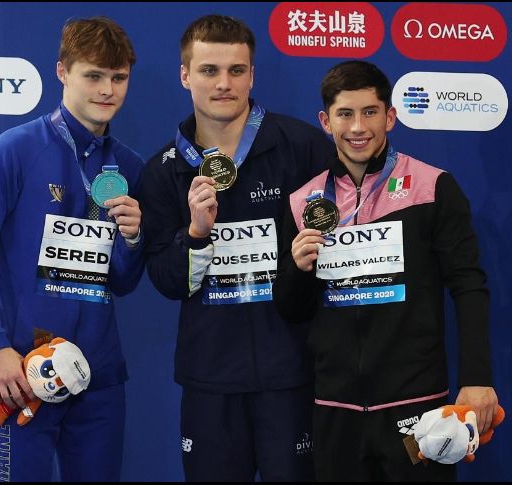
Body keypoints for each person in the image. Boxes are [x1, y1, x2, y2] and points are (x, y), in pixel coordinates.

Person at [272, 60, 500, 481]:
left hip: (418, 406)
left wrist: (477, 378)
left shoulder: (433, 187)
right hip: (336, 407)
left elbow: (468, 285)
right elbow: (291, 308)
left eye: (370, 112)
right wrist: (299, 270)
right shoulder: (303, 201)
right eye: (345, 114)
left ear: (390, 117)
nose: (358, 127)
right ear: (325, 121)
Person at [140, 14, 336, 482]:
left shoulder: (304, 148)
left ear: (252, 74)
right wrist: (196, 234)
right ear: (185, 75)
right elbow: (168, 283)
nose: (224, 84)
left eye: (236, 70)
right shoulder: (164, 171)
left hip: (292, 375)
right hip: (210, 380)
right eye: (209, 71)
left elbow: (339, 257)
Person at [0, 17, 144, 482]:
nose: (107, 90)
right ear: (62, 72)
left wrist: (133, 240)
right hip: (20, 372)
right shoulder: (14, 150)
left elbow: (122, 280)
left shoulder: (131, 166)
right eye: (93, 76)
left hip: (97, 377)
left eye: (118, 78)